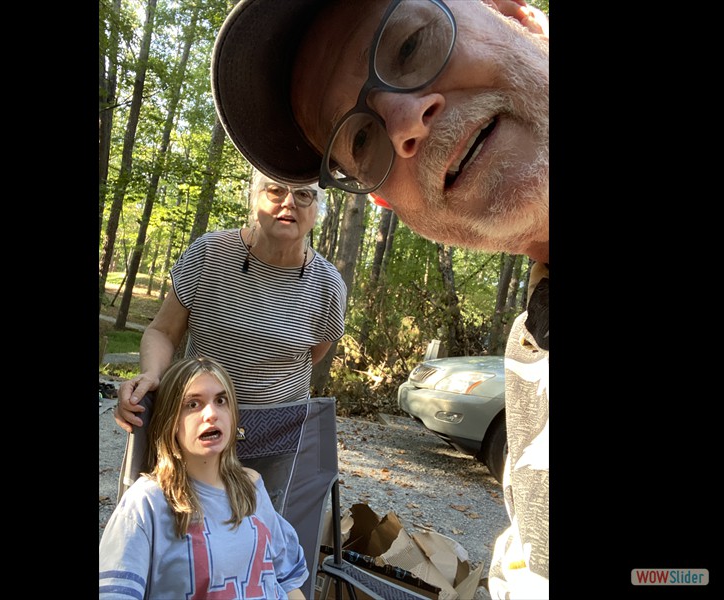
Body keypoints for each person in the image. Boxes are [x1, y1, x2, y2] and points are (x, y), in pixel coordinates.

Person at [210, 0, 549, 597]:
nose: (404, 121)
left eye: (413, 46)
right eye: (363, 138)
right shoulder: (531, 357)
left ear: (518, 16)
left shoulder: (324, 284)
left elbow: (320, 348)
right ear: (389, 204)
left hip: (282, 429)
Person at [114, 169, 347, 433]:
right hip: (196, 422)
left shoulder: (328, 284)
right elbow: (163, 331)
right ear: (254, 199)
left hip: (279, 433)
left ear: (318, 210)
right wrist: (151, 374)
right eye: (276, 190)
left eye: (303, 194)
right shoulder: (209, 253)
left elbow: (312, 354)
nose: (289, 202)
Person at [100, 356, 308, 599]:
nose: (211, 414)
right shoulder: (147, 501)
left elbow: (287, 580)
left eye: (221, 401)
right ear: (170, 422)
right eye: (192, 404)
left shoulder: (251, 486)